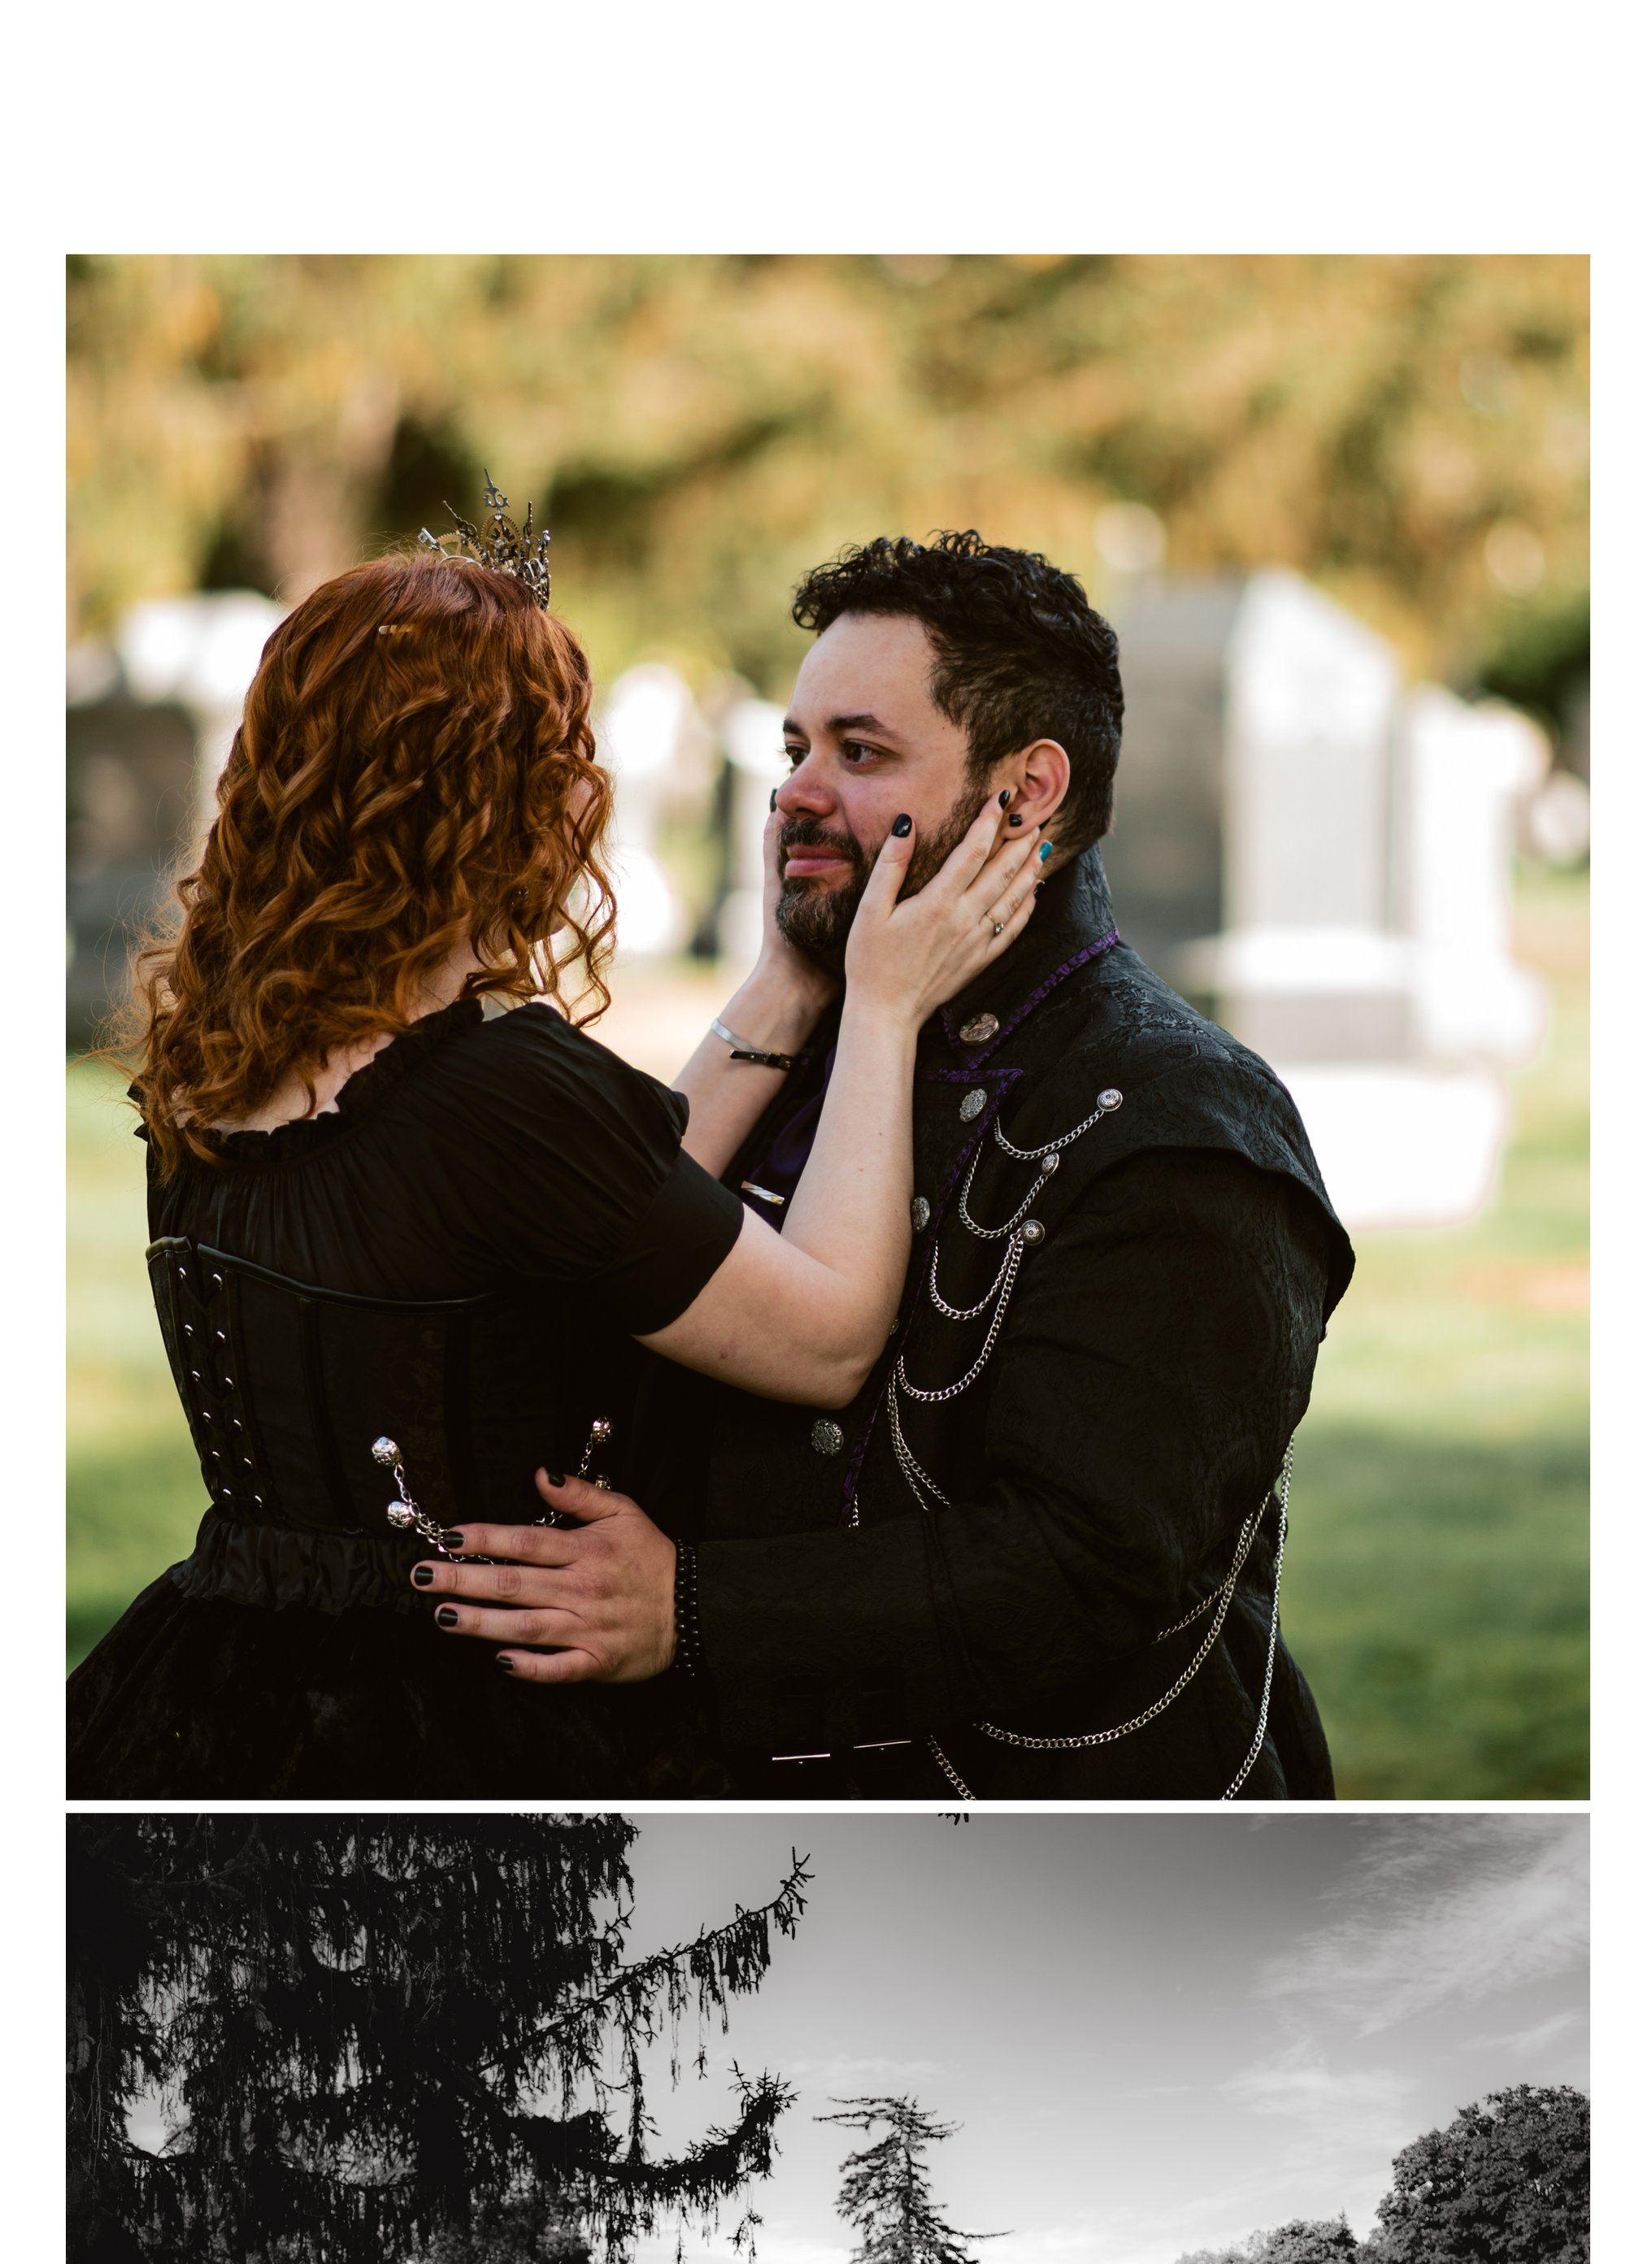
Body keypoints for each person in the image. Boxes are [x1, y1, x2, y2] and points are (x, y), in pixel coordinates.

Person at [65, 486, 1046, 1799]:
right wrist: (881, 1000)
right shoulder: (499, 1091)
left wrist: (784, 985)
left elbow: (583, 1227)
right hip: (457, 1717)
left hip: (211, 1684)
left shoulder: (207, 1063)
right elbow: (823, 1337)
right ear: (518, 797)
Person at [413, 530, 1359, 1798]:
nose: (796, 792)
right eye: (796, 748)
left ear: (1027, 794)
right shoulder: (811, 1039)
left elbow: (1088, 1566)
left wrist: (690, 1609)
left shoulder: (1183, 1125)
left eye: (859, 754)